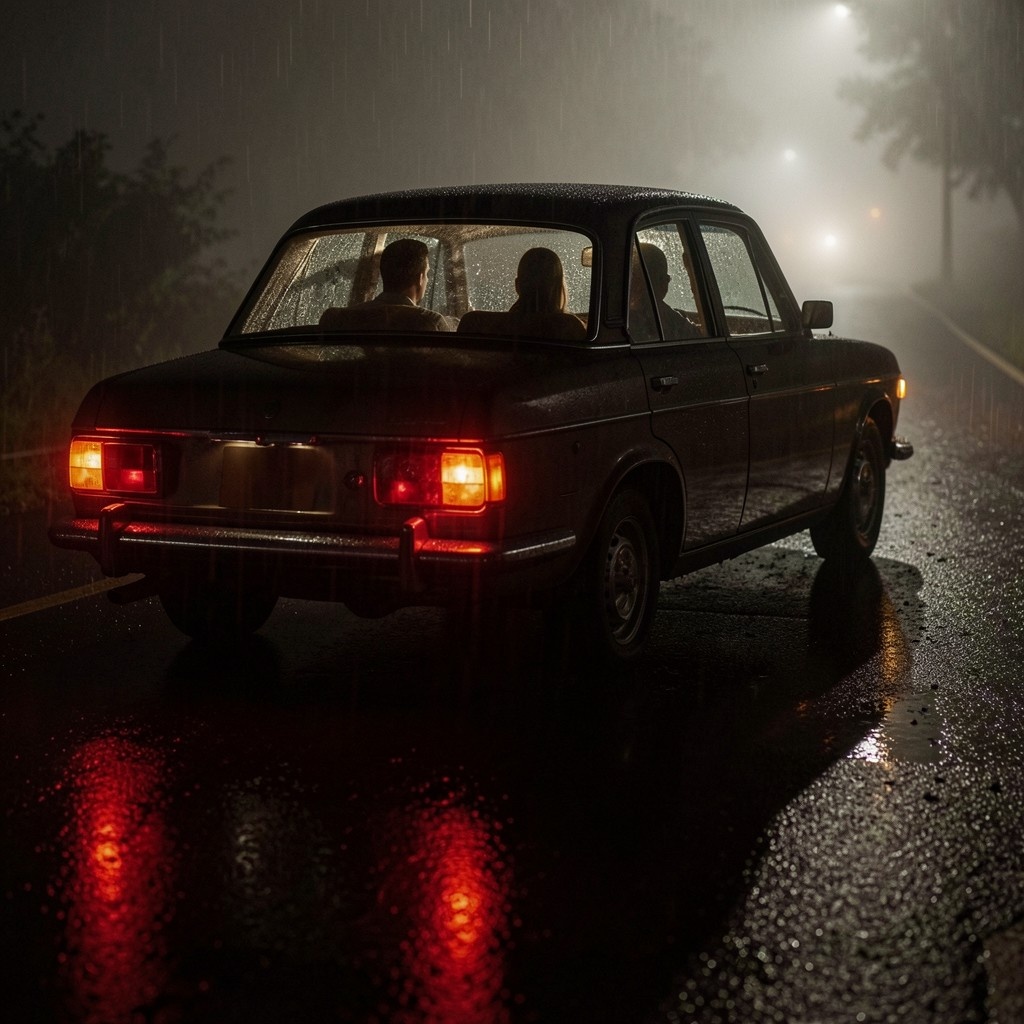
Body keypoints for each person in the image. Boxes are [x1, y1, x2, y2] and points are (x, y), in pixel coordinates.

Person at [357, 238, 454, 330]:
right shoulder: (432, 322)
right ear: (420, 279)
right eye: (426, 274)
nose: (427, 280)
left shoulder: (351, 316)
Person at [630, 242, 702, 340]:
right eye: (665, 278)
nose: (667, 282)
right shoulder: (668, 319)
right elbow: (700, 337)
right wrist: (693, 274)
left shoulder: (617, 316)